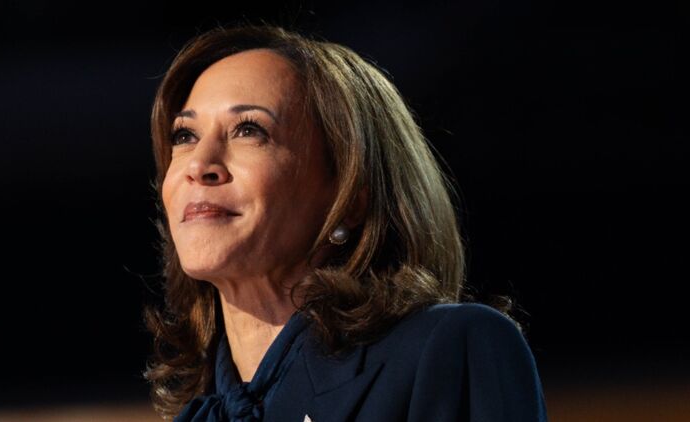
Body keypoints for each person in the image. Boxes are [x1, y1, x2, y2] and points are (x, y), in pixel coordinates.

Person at [143, 24, 548, 422]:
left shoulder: (450, 350)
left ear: (350, 197)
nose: (199, 164)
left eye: (249, 130)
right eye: (185, 136)